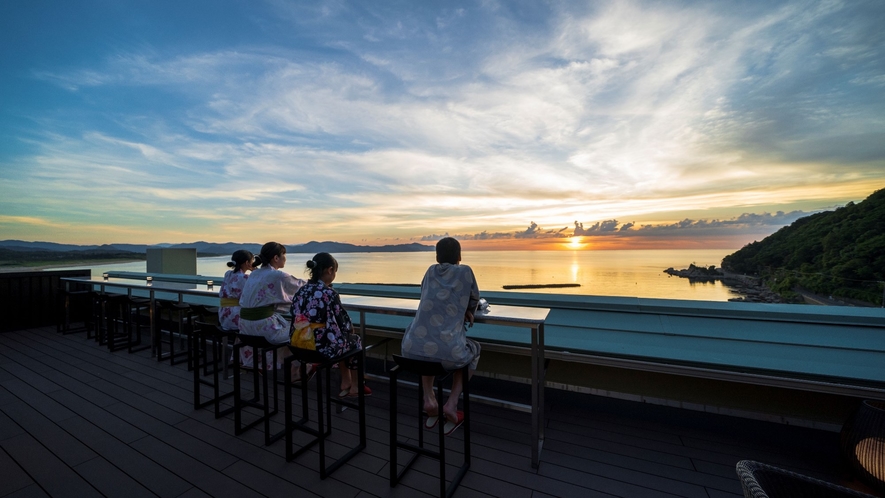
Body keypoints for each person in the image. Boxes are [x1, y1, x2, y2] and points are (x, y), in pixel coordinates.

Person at [401, 237, 480, 436]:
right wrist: (467, 310)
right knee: (474, 349)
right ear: (459, 256)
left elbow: (427, 294)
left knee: (428, 345)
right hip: (447, 354)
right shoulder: (465, 271)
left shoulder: (430, 271)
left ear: (437, 256)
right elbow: (474, 298)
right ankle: (451, 405)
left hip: (410, 349)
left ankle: (429, 399)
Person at [290, 252, 368, 397]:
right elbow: (342, 320)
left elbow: (293, 313)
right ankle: (356, 386)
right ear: (330, 270)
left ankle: (346, 381)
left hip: (299, 344)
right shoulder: (328, 293)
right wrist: (349, 328)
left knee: (343, 341)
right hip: (320, 348)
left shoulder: (301, 291)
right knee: (354, 341)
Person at [238, 242, 306, 374]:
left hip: (244, 327)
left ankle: (278, 365)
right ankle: (297, 369)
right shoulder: (278, 275)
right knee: (300, 329)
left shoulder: (254, 274)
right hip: (262, 329)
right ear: (276, 258)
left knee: (287, 328)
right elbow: (300, 286)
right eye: (284, 255)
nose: (285, 258)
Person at [218, 249, 260, 367]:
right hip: (235, 317)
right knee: (254, 329)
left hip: (224, 316)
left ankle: (238, 358)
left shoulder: (228, 274)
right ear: (247, 263)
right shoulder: (245, 278)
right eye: (252, 261)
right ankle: (247, 361)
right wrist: (255, 271)